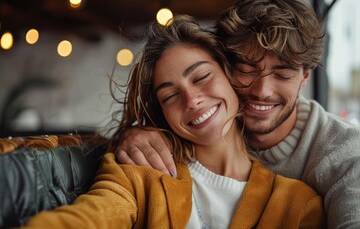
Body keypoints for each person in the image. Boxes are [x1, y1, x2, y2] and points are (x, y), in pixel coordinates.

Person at [23, 15, 325, 229]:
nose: (191, 100)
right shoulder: (139, 172)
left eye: (202, 77)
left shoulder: (298, 205)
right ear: (163, 112)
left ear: (230, 77)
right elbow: (94, 216)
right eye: (170, 96)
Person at [115, 0, 360, 228]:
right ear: (226, 67)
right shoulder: (212, 125)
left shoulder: (346, 154)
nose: (262, 90)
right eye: (247, 69)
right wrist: (134, 133)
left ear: (305, 78)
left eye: (282, 74)